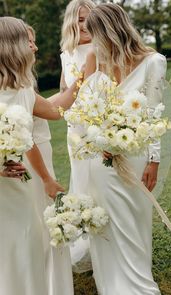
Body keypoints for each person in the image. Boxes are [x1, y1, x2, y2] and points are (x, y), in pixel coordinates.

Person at [80, 3, 167, 294]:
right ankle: (112, 283)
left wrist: (154, 160)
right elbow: (87, 112)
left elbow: (154, 115)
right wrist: (98, 140)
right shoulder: (100, 62)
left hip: (136, 154)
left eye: (95, 35)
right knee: (109, 222)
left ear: (109, 30)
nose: (93, 42)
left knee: (135, 219)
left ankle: (138, 281)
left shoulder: (153, 62)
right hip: (101, 160)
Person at [0, 16, 82, 295]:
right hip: (8, 185)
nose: (34, 48)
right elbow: (30, 138)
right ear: (13, 46)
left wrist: (82, 76)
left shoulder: (23, 90)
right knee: (14, 244)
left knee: (27, 242)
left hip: (21, 181)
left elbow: (52, 113)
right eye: (29, 42)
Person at [26, 26, 74, 295]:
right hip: (33, 163)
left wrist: (70, 86)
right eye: (29, 42)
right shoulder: (16, 85)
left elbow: (44, 106)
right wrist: (82, 78)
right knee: (42, 222)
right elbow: (54, 111)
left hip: (31, 158)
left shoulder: (19, 82)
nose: (35, 47)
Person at [60, 0, 95, 272]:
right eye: (80, 19)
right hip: (75, 131)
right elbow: (64, 91)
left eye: (89, 18)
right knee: (81, 183)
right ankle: (88, 242)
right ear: (72, 21)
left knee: (103, 182)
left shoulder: (102, 48)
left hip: (100, 126)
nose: (84, 24)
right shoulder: (66, 54)